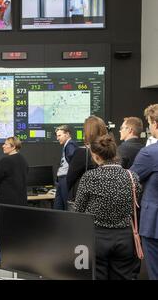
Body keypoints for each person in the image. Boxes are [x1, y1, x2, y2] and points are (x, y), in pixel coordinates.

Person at [75, 134, 141, 280]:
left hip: (96, 238)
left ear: (96, 156)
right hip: (125, 238)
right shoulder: (132, 176)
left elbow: (79, 210)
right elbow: (136, 206)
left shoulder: (89, 177)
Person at [130, 104, 158, 280]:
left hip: (154, 224)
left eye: (149, 123)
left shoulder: (150, 154)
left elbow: (129, 180)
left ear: (155, 123)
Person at [67, 116, 107, 206]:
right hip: (105, 202)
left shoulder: (82, 153)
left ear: (88, 133)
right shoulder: (111, 151)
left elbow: (69, 179)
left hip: (84, 203)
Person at [0, 136, 29, 206]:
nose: (3, 146)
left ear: (13, 147)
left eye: (6, 144)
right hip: (21, 201)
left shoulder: (5, 161)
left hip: (6, 201)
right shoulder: (23, 160)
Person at [54, 125, 78, 210]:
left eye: (59, 135)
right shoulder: (67, 145)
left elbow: (73, 161)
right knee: (58, 206)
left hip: (65, 179)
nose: (57, 138)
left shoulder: (70, 144)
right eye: (57, 136)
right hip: (61, 180)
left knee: (65, 207)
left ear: (67, 134)